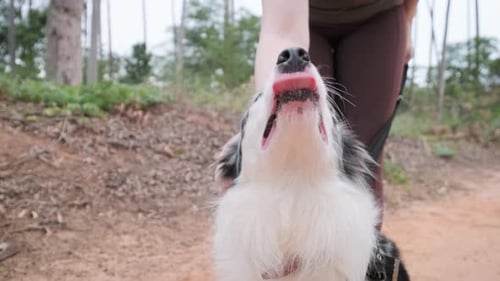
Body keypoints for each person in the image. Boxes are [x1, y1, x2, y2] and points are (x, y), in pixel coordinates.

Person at [254, 0, 418, 220]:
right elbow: (283, 32)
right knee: (296, 146)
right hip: (306, 18)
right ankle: (295, 249)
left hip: (379, 14)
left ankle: (361, 251)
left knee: (362, 158)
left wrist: (407, 21)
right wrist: (265, 120)